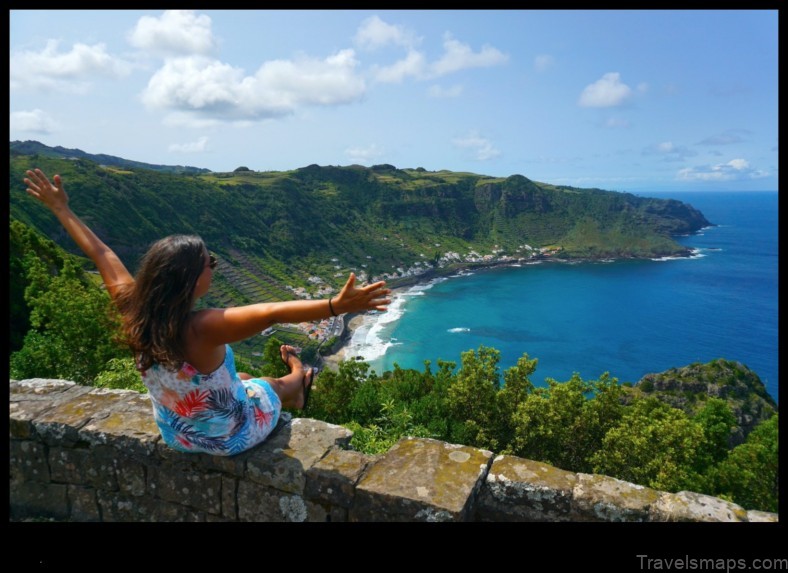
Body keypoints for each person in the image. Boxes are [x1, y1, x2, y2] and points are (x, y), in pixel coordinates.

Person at [23, 168, 391, 456]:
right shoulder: (203, 327)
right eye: (209, 262)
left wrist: (60, 208)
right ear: (190, 279)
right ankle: (299, 380)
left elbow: (102, 254)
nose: (214, 267)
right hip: (231, 438)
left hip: (178, 434)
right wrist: (335, 306)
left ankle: (286, 384)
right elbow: (271, 312)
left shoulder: (134, 310)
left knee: (241, 375)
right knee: (269, 386)